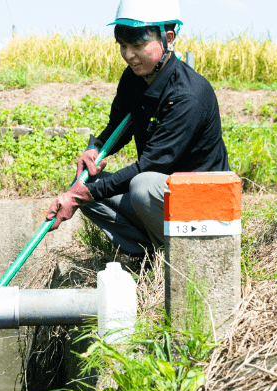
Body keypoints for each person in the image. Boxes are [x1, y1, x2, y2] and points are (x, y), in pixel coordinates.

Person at [45, 0, 231, 258]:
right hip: (167, 195)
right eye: (123, 45)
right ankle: (152, 257)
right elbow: (117, 127)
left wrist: (78, 196)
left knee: (141, 185)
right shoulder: (134, 78)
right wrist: (95, 148)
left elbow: (151, 166)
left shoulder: (188, 95)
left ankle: (188, 258)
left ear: (168, 38)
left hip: (204, 204)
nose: (129, 55)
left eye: (139, 45)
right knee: (88, 184)